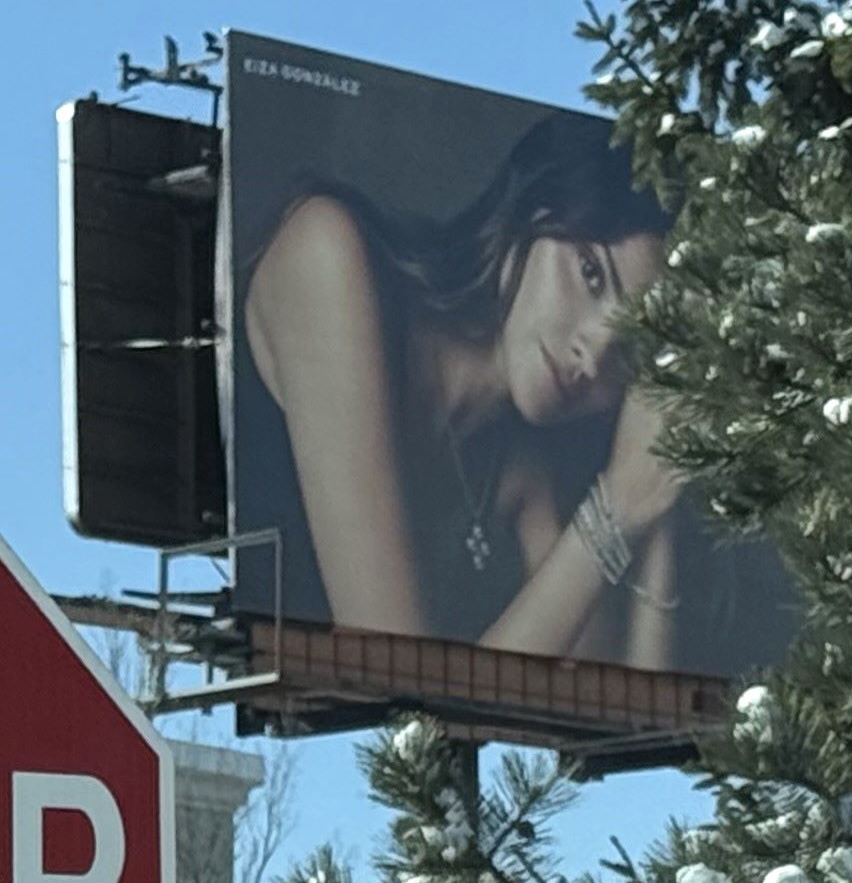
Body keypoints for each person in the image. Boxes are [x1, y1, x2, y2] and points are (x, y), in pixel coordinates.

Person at [236, 120, 689, 667]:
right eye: (591, 274)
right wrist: (615, 512)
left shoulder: (519, 469)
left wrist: (658, 496)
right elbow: (398, 683)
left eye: (631, 354)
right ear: (532, 211)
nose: (591, 356)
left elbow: (620, 713)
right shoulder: (326, 252)